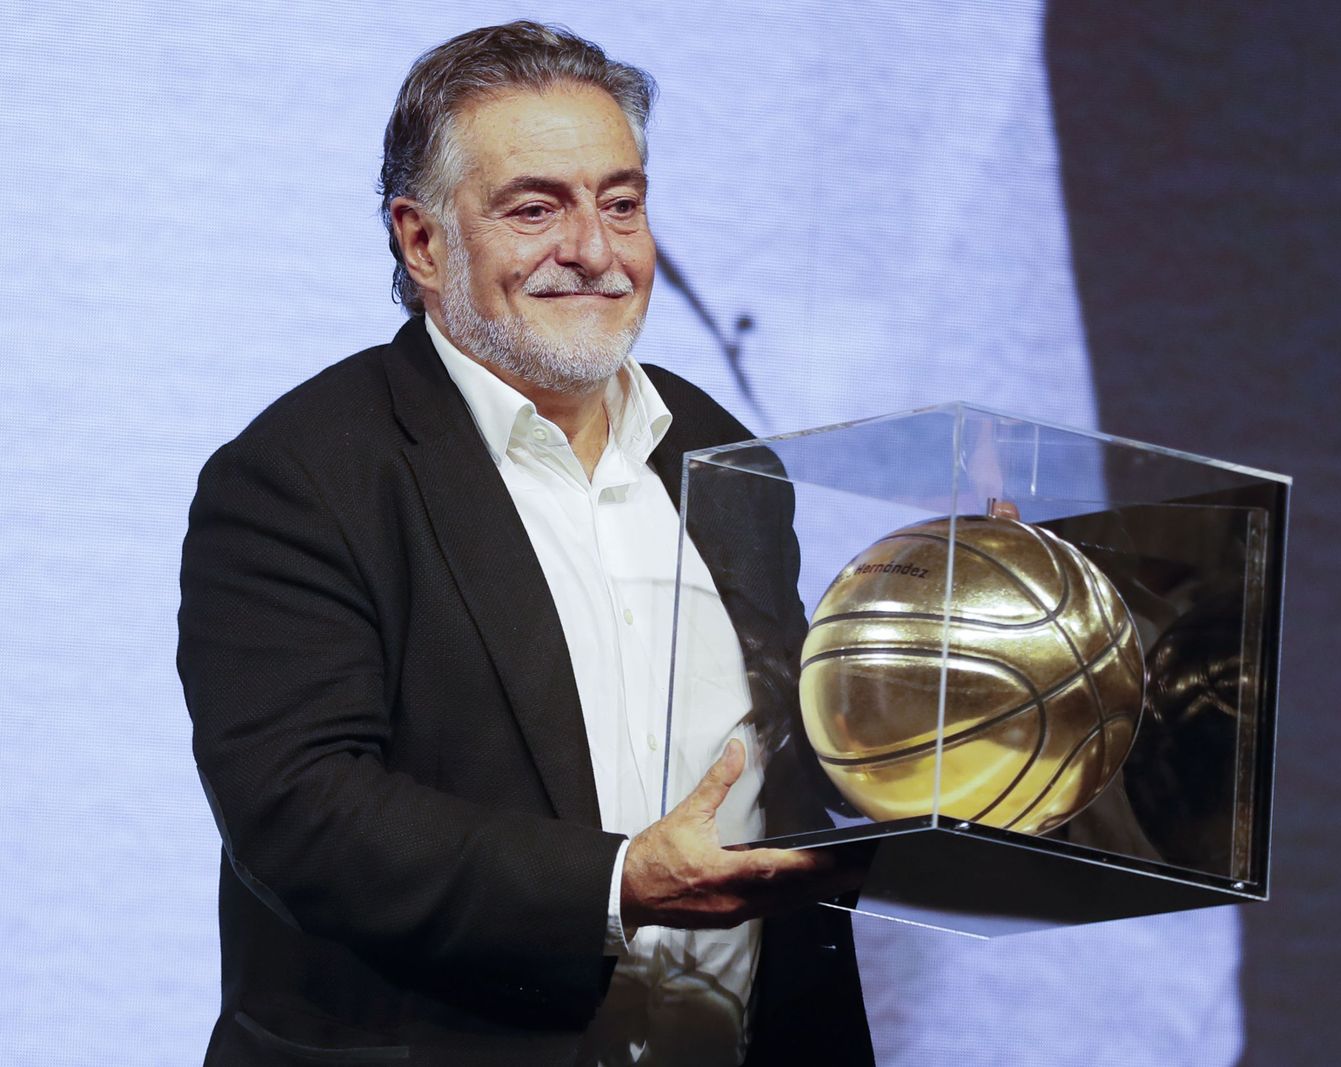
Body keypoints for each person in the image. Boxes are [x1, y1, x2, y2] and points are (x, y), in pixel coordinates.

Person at [176, 21, 872, 1066]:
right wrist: (616, 883)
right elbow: (300, 809)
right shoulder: (302, 473)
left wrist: (947, 657)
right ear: (422, 242)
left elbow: (787, 741)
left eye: (621, 203)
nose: (595, 250)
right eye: (536, 208)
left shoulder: (719, 449)